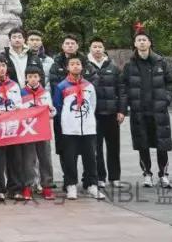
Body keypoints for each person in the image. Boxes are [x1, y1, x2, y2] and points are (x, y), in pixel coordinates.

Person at [121, 31, 172, 189]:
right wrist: (129, 104)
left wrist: (165, 100)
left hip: (159, 111)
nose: (142, 42)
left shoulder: (161, 62)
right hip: (139, 112)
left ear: (150, 43)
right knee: (142, 144)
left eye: (144, 39)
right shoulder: (129, 65)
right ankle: (147, 174)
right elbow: (123, 86)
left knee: (162, 144)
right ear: (135, 44)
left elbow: (171, 84)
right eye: (139, 40)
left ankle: (163, 175)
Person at [55, 56, 104, 200]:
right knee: (70, 158)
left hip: (88, 128)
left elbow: (93, 105)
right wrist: (67, 121)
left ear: (82, 67)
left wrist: (87, 120)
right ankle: (71, 185)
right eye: (72, 64)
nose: (75, 66)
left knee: (90, 157)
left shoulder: (89, 86)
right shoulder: (62, 86)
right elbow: (58, 107)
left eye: (78, 64)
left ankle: (92, 184)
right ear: (67, 67)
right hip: (69, 129)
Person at [84, 37, 124, 188]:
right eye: (94, 47)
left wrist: (121, 110)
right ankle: (100, 177)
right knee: (96, 148)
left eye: (100, 47)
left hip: (112, 113)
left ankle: (115, 177)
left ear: (104, 49)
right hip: (94, 114)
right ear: (90, 49)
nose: (97, 49)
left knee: (114, 147)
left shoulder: (113, 67)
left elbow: (121, 90)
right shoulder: (85, 66)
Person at [0, 54, 23, 201]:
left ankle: (14, 188)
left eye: (3, 65)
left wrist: (18, 109)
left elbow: (20, 103)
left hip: (13, 126)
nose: (1, 69)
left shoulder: (14, 85)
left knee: (15, 158)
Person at [19, 65, 56, 200]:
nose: (33, 79)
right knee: (28, 159)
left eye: (35, 76)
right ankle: (28, 186)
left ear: (40, 78)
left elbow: (52, 111)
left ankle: (47, 186)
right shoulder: (21, 93)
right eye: (30, 77)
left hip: (43, 130)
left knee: (45, 158)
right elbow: (18, 111)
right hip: (28, 131)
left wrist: (51, 111)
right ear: (26, 78)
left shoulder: (45, 93)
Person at [48, 33, 81, 182]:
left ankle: (87, 179)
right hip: (62, 110)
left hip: (81, 111)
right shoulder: (55, 64)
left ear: (77, 46)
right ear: (62, 46)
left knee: (83, 146)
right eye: (67, 43)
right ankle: (68, 177)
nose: (70, 46)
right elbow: (55, 86)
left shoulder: (83, 62)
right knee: (64, 146)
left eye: (72, 43)